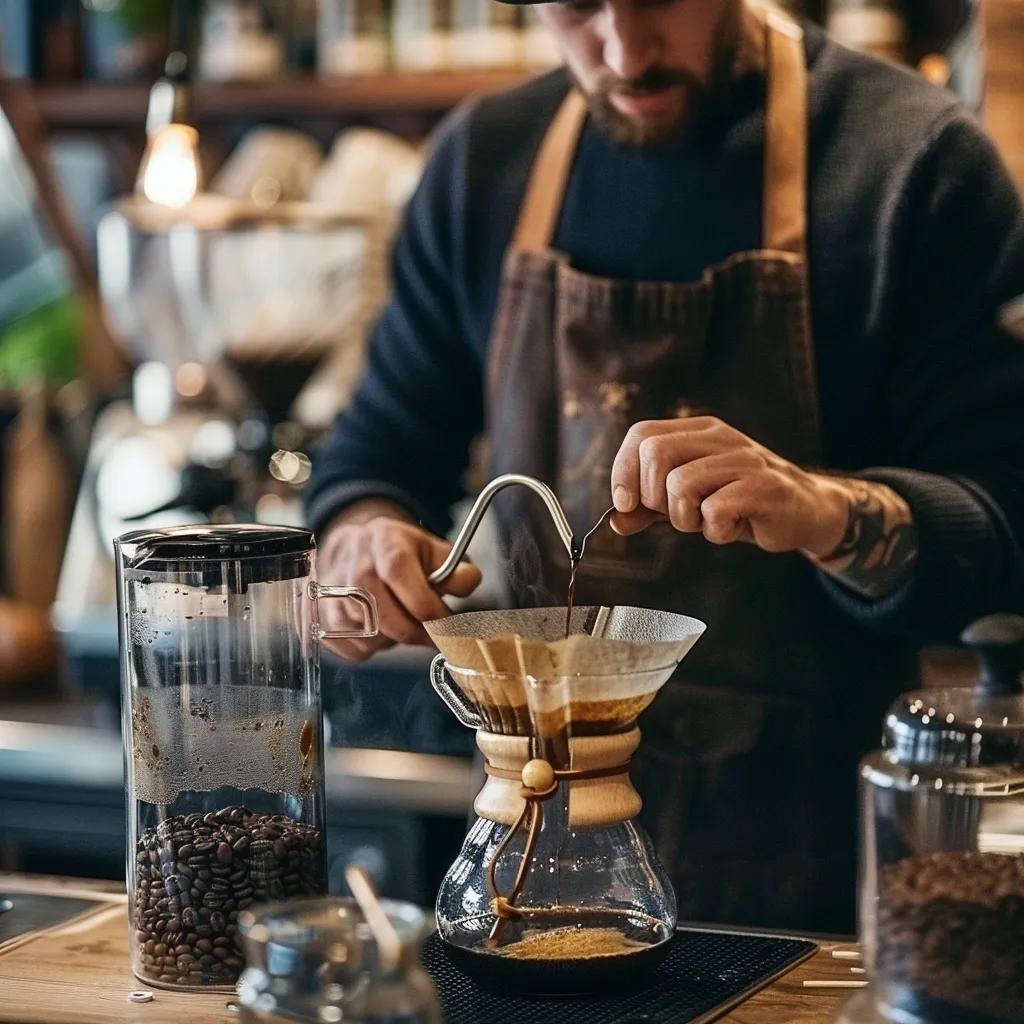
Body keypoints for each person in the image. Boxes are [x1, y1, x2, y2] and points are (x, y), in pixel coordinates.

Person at [306, 0, 1024, 932]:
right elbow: (374, 454)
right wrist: (362, 535)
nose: (623, 50)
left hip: (812, 885)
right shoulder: (485, 161)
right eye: (575, 10)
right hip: (529, 871)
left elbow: (1006, 522)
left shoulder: (909, 162)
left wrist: (832, 511)